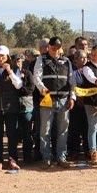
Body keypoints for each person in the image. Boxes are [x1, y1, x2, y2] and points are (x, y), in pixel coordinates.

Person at [33, 37, 75, 168]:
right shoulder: (41, 59)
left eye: (58, 48)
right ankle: (46, 158)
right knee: (45, 130)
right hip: (48, 100)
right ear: (48, 47)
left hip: (63, 100)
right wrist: (42, 89)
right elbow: (36, 77)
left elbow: (72, 81)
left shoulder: (67, 61)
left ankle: (61, 157)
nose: (55, 50)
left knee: (63, 130)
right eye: (53, 48)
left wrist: (72, 97)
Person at [12, 54, 36, 163]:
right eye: (16, 61)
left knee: (27, 133)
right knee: (14, 133)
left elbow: (31, 88)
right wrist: (21, 89)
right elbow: (11, 91)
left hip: (27, 107)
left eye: (20, 61)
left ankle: (27, 157)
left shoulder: (28, 73)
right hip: (13, 107)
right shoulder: (10, 74)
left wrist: (20, 89)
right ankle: (14, 158)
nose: (18, 63)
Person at [67, 50, 89, 160]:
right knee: (74, 128)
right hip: (75, 103)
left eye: (86, 57)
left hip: (88, 103)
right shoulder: (72, 71)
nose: (84, 59)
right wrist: (78, 97)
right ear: (75, 59)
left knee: (87, 128)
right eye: (81, 57)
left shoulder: (89, 70)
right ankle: (74, 151)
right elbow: (72, 85)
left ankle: (88, 150)